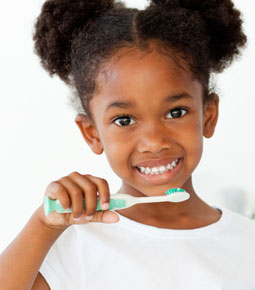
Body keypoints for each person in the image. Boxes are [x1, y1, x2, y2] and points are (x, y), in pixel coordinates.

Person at [0, 0, 254, 289]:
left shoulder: (248, 244)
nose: (154, 142)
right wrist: (42, 226)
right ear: (92, 133)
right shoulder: (72, 247)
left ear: (208, 116)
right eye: (124, 120)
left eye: (176, 112)